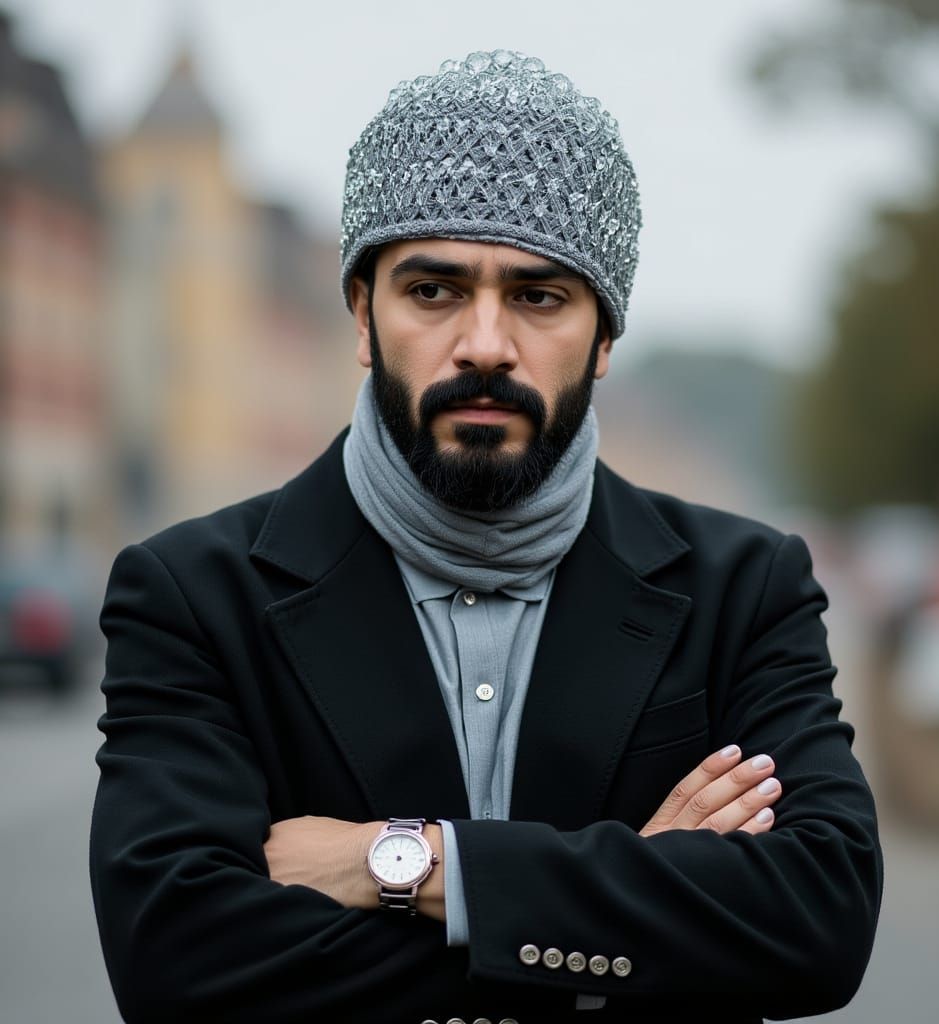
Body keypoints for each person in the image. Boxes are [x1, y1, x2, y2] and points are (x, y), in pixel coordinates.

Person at [89, 50, 883, 1024]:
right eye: (433, 290)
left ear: (602, 337)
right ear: (361, 315)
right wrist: (631, 902)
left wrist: (409, 861)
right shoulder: (194, 595)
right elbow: (173, 961)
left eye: (538, 296)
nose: (484, 343)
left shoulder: (744, 588)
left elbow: (819, 920)